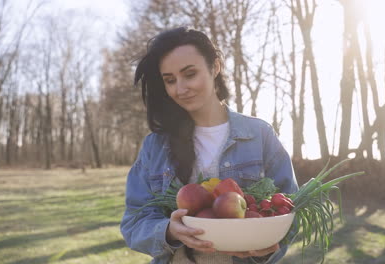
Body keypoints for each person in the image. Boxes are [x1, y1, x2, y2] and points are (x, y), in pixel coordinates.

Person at [120, 26, 299, 264]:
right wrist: (169, 231)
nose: (180, 89)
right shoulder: (155, 146)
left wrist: (264, 250)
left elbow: (291, 211)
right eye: (170, 80)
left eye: (190, 74)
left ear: (215, 67)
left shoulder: (259, 135)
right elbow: (134, 222)